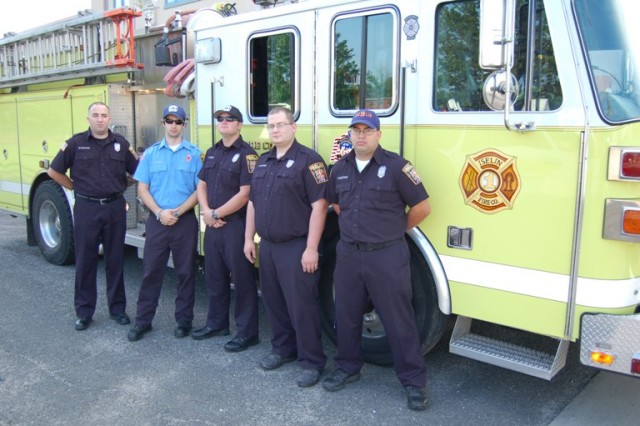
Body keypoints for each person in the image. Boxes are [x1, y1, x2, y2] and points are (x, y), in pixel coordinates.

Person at [322, 109, 432, 411]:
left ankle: (413, 382)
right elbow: (335, 203)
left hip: (386, 255)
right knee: (346, 315)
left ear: (378, 134)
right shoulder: (340, 168)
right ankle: (347, 367)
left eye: (367, 130)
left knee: (399, 320)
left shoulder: (396, 166)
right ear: (350, 134)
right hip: (348, 254)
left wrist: (396, 230)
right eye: (355, 130)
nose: (360, 135)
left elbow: (422, 207)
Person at [244, 106, 328, 388]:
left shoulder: (309, 161)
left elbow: (320, 207)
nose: (276, 129)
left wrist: (312, 248)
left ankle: (312, 361)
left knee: (302, 305)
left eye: (281, 124)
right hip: (268, 246)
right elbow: (253, 203)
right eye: (271, 125)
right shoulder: (264, 161)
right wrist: (248, 239)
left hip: (296, 246)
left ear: (294, 127)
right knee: (274, 302)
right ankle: (283, 349)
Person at [48, 102, 138, 331]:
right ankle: (84, 312)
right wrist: (72, 187)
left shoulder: (121, 144)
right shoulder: (75, 144)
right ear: (88, 119)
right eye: (95, 115)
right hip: (87, 208)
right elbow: (54, 171)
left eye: (104, 115)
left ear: (109, 119)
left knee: (115, 259)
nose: (100, 119)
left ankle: (118, 309)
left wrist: (123, 184)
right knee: (85, 261)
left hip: (114, 207)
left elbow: (138, 172)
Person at [127, 104, 202, 342]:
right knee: (151, 272)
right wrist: (160, 213)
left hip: (184, 222)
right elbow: (142, 188)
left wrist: (177, 212)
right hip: (157, 222)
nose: (173, 125)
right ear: (163, 124)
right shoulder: (151, 154)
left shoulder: (195, 154)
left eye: (178, 121)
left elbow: (200, 190)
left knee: (185, 273)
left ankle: (184, 321)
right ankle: (143, 321)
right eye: (169, 121)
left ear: (184, 124)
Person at [193, 105, 260, 352]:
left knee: (242, 281)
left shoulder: (248, 155)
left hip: (235, 226)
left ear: (240, 124)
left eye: (230, 119)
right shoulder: (212, 152)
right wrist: (207, 211)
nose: (224, 122)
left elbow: (246, 195)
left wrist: (216, 213)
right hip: (212, 225)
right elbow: (201, 183)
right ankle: (217, 323)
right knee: (214, 276)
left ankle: (247, 333)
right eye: (220, 119)